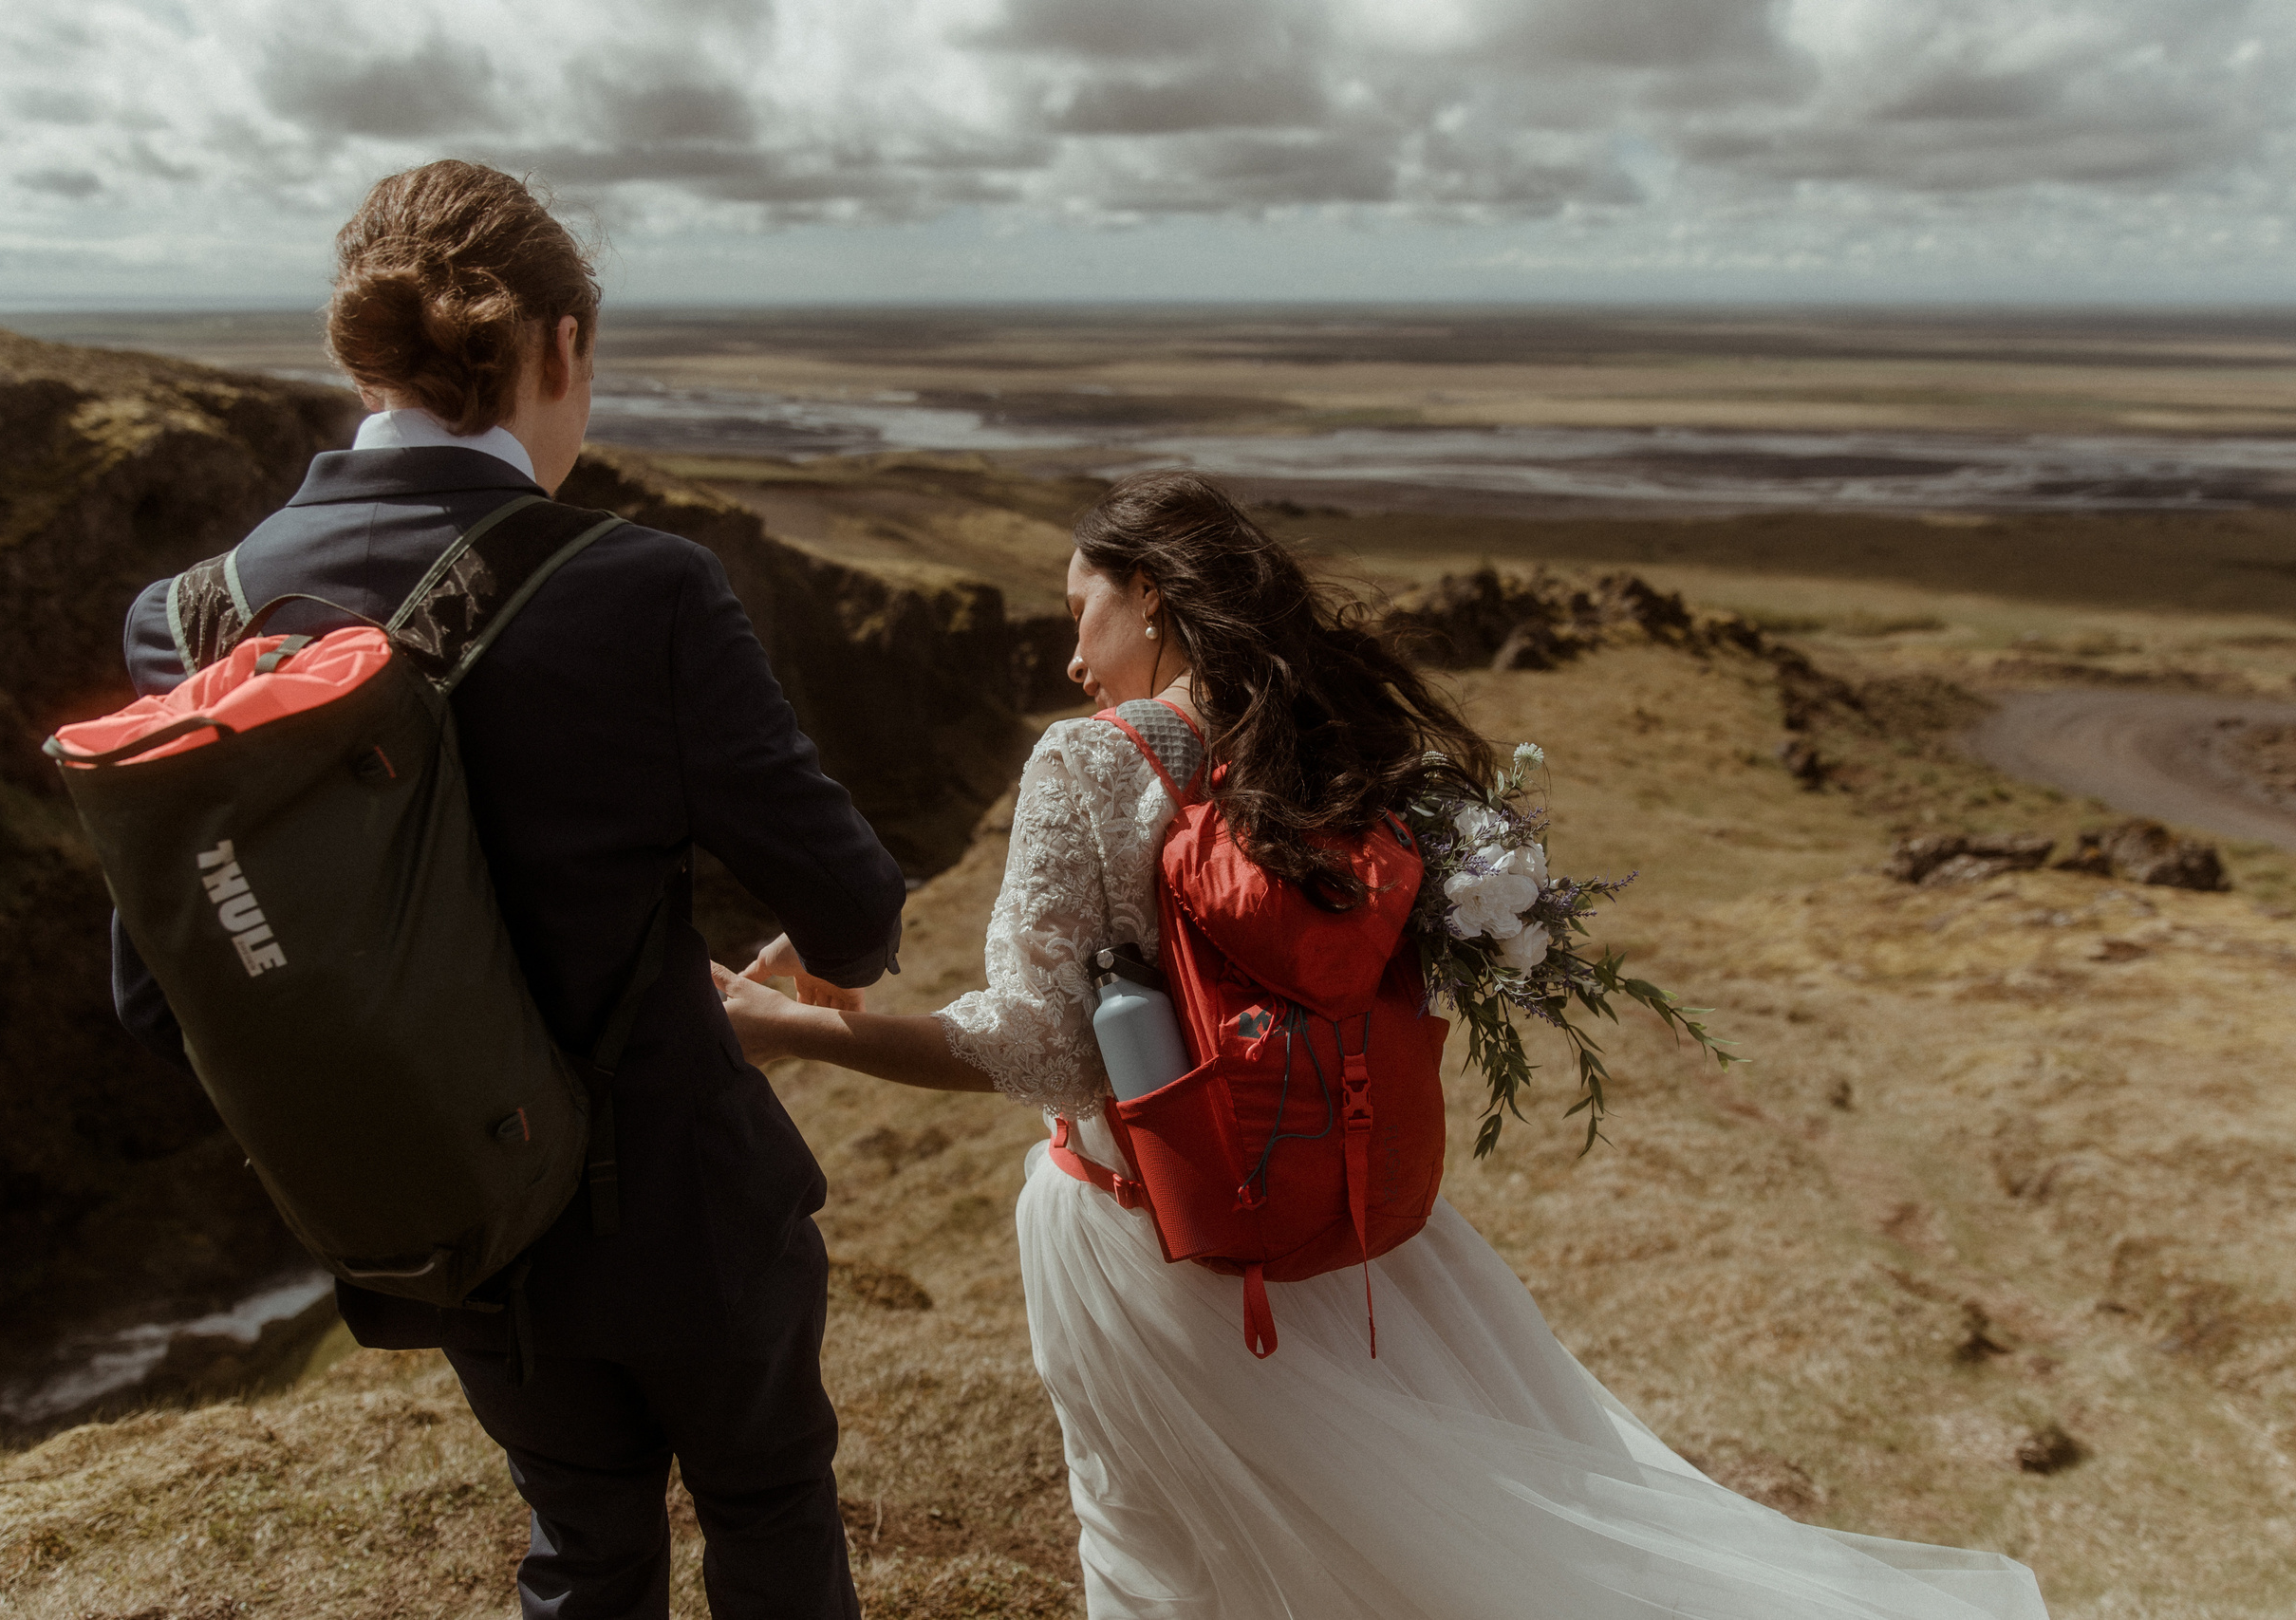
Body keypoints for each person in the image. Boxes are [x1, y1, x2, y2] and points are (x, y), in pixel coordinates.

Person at [715, 470, 2051, 1619]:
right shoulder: (1330, 743)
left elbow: (1051, 1049)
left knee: (1155, 1551)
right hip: (1341, 1206)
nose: (1071, 658)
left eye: (1082, 613)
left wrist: (794, 1037)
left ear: (1151, 598)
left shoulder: (1087, 758)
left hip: (1150, 1223)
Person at [109, 160, 897, 1620]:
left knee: (584, 1549)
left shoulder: (187, 621)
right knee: (769, 1505)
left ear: (363, 353)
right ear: (564, 347)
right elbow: (848, 899)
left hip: (447, 1220)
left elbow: (160, 993)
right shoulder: (644, 586)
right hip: (685, 1206)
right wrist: (811, 958)